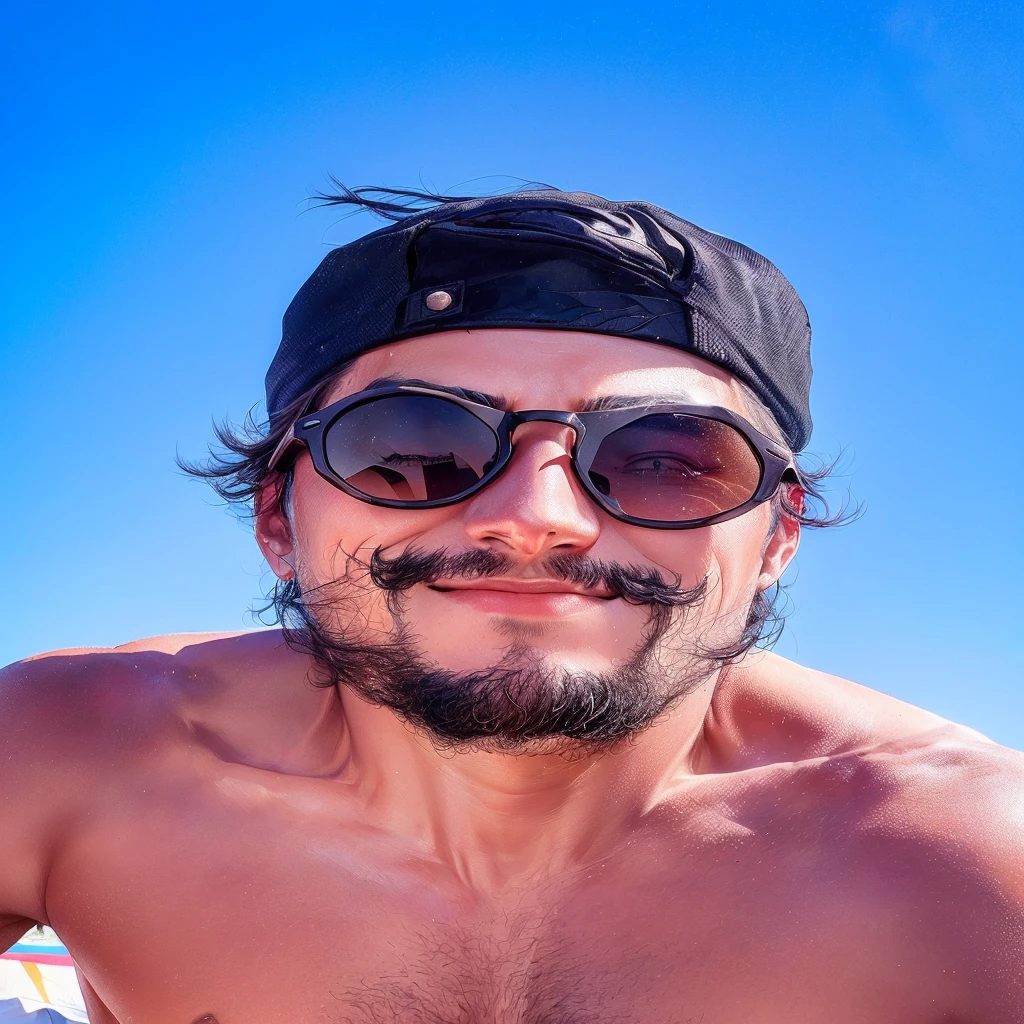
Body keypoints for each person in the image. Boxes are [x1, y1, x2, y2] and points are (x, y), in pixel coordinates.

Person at [2, 186, 1022, 1024]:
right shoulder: (70, 756)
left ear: (777, 541)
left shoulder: (971, 865)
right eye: (411, 449)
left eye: (664, 460)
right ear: (278, 512)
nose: (536, 520)